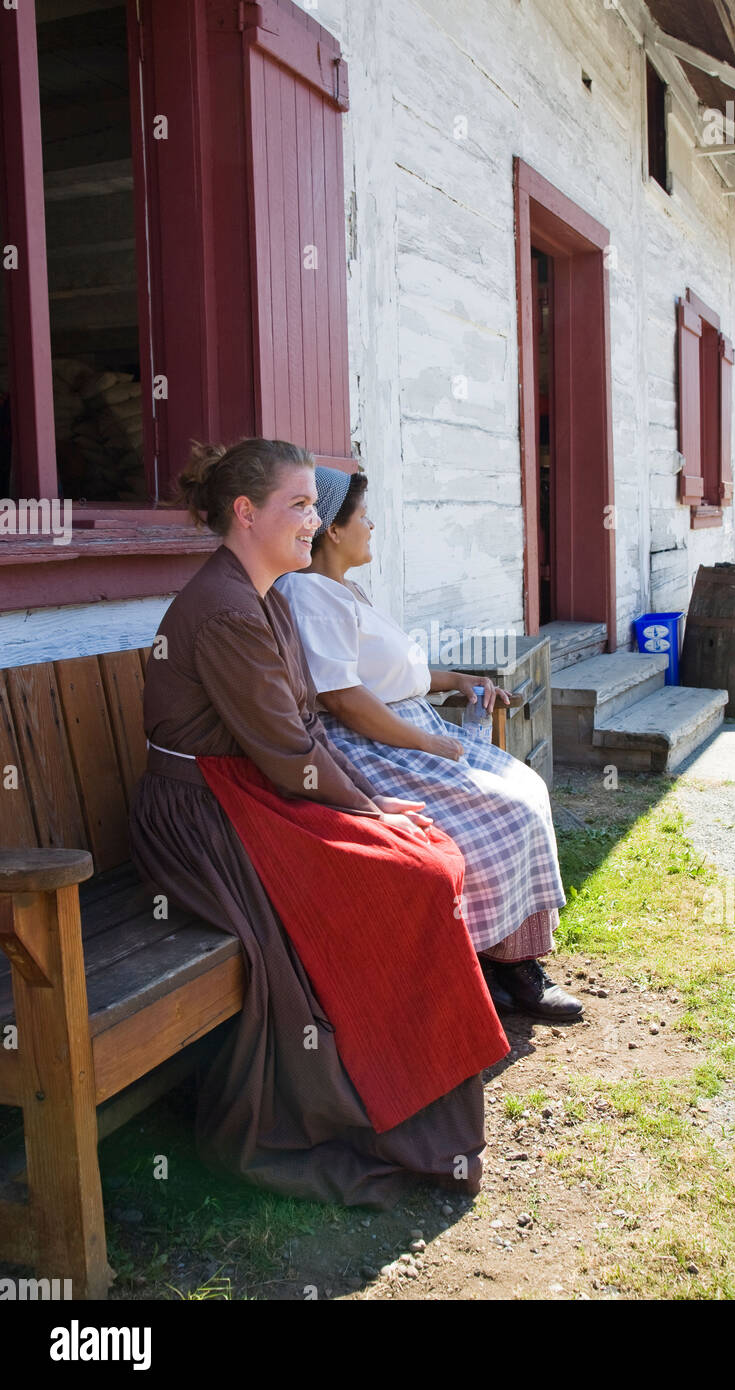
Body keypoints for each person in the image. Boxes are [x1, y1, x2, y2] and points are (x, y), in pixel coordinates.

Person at [128, 438, 509, 1208]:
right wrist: (370, 809)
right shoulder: (230, 609)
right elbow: (286, 750)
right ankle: (381, 1104)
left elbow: (289, 745)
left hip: (253, 792)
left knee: (423, 855)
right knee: (412, 871)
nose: (314, 520)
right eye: (299, 506)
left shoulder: (262, 591)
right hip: (208, 815)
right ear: (245, 513)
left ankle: (411, 1087)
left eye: (315, 505)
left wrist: (372, 810)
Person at [275, 465, 582, 1022]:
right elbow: (343, 699)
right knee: (501, 816)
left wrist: (458, 681)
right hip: (372, 746)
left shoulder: (346, 590)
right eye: (362, 517)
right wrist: (427, 743)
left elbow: (397, 672)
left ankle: (508, 961)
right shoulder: (308, 595)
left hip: (408, 728)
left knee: (524, 792)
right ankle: (485, 966)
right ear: (333, 531)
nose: (371, 526)